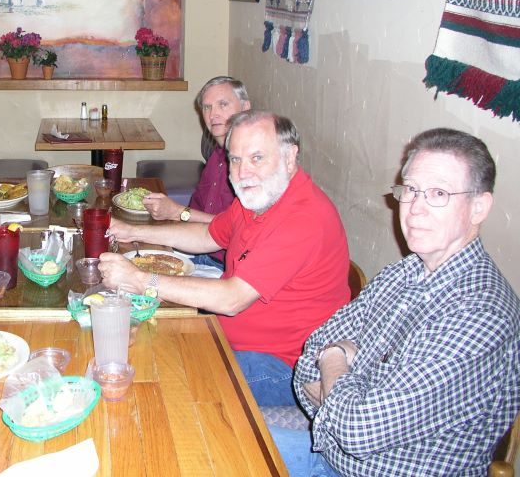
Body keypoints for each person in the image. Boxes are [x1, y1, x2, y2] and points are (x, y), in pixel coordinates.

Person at [279, 128, 520, 477]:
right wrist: (347, 389)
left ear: (478, 207)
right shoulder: (405, 272)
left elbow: (357, 428)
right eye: (410, 190)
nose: (415, 209)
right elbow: (307, 362)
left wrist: (334, 357)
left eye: (438, 193)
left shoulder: (480, 314)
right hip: (330, 452)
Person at [99, 110, 350, 405]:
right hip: (225, 336)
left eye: (257, 158)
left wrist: (140, 280)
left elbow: (232, 299)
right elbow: (207, 237)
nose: (243, 173)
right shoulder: (258, 198)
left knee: (159, 380)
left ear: (290, 157)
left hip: (282, 366)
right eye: (235, 159)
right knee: (136, 348)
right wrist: (130, 231)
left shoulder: (303, 218)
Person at [141, 76, 251, 269]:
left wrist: (177, 212)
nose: (213, 114)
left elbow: (237, 227)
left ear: (245, 108)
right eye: (207, 107)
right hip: (195, 250)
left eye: (223, 104)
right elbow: (195, 209)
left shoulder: (250, 165)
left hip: (223, 265)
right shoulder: (216, 157)